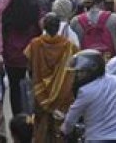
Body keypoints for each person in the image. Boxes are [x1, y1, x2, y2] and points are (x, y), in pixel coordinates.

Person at [61, 49, 116, 142]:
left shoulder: (85, 91)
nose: (78, 75)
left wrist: (64, 131)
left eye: (82, 72)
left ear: (92, 70)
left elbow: (72, 117)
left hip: (97, 138)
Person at [24, 13, 77, 141]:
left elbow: (29, 67)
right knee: (59, 128)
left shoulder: (35, 44)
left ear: (44, 27)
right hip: (62, 93)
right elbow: (74, 69)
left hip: (40, 93)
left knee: (41, 126)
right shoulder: (69, 46)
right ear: (58, 27)